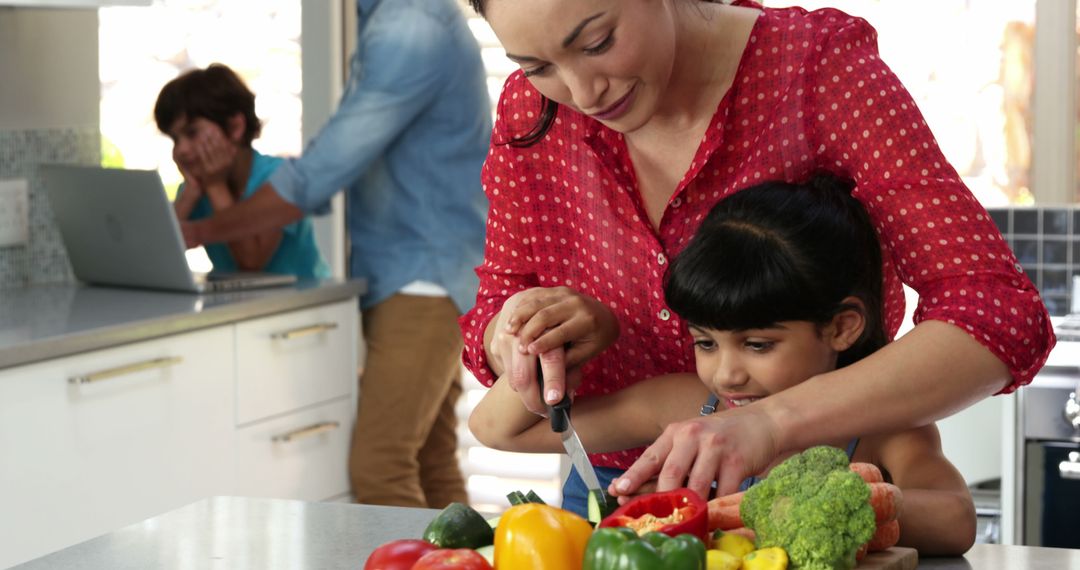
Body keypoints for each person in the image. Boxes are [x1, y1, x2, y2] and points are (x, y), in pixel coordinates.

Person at [459, 0, 1054, 507]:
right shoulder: (531, 112)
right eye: (536, 66)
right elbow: (493, 320)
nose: (583, 93)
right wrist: (525, 332)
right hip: (614, 489)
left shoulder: (815, 68)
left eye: (598, 41)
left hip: (811, 482)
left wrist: (771, 422)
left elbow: (996, 315)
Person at [469, 174, 976, 555]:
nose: (727, 374)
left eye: (758, 345)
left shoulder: (880, 427)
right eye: (706, 343)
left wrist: (840, 505)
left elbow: (957, 519)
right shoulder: (690, 405)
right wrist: (553, 337)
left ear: (842, 327)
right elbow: (497, 431)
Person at [180, 0, 492, 508]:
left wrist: (199, 231)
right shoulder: (390, 19)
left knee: (380, 466)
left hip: (422, 279)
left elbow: (321, 171)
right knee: (429, 463)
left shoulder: (408, 26)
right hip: (427, 271)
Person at [155, 64, 330, 279]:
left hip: (306, 303)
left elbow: (251, 261)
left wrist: (216, 186)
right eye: (174, 139)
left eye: (192, 133)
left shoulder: (276, 177)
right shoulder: (197, 189)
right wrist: (190, 194)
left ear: (235, 127)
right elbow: (157, 256)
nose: (180, 149)